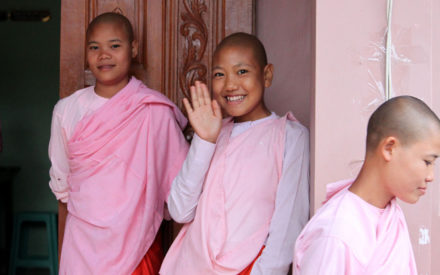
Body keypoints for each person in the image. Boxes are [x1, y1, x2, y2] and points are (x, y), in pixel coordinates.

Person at [48, 12, 188, 274]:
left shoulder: (153, 111)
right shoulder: (66, 110)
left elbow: (182, 188)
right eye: (94, 47)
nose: (104, 55)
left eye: (114, 45)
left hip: (136, 246)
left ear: (133, 49)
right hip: (81, 248)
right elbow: (62, 188)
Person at [160, 32, 310, 275]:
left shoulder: (290, 136)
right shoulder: (213, 133)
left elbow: (288, 224)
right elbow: (180, 210)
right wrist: (204, 140)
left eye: (242, 72)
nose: (230, 85)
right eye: (220, 74)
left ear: (267, 74)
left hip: (247, 268)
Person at [293, 96, 440, 274]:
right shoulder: (337, 233)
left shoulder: (388, 213)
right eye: (427, 162)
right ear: (389, 148)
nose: (431, 176)